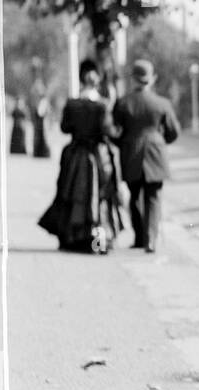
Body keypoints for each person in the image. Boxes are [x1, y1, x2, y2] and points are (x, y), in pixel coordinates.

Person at [38, 59, 125, 253]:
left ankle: (72, 240)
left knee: (71, 197)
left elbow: (64, 128)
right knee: (99, 200)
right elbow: (108, 131)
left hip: (75, 155)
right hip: (97, 157)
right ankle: (96, 244)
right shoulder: (102, 106)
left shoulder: (72, 104)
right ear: (97, 82)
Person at [113, 58, 181, 254]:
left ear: (133, 79)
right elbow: (173, 132)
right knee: (153, 197)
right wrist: (160, 140)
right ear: (152, 79)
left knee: (134, 197)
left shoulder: (123, 103)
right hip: (156, 153)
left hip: (131, 153)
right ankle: (151, 239)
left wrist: (125, 143)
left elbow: (114, 131)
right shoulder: (162, 103)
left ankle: (139, 237)